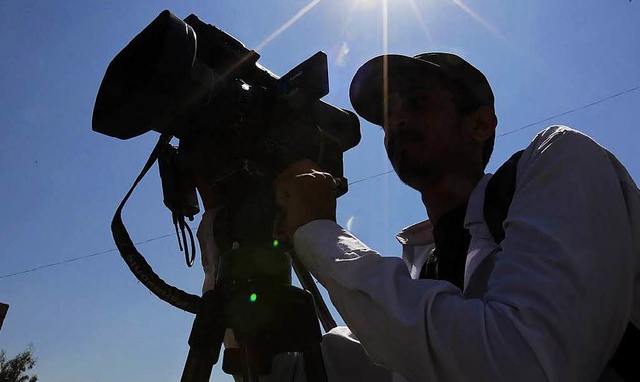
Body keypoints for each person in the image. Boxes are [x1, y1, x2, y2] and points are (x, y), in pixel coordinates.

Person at [198, 52, 640, 381]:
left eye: (418, 101)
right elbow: (284, 375)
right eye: (388, 114)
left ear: (481, 125)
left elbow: (528, 361)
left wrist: (318, 232)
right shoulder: (420, 279)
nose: (398, 120)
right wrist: (225, 232)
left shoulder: (560, 158)